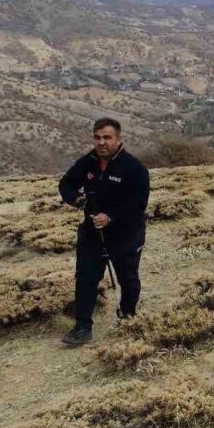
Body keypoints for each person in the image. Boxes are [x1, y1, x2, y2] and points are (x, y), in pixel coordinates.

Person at [57, 118, 150, 346]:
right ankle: (82, 327)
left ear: (118, 139)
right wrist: (77, 199)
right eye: (97, 137)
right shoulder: (87, 162)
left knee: (128, 277)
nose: (101, 143)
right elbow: (65, 184)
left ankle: (128, 317)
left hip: (127, 232)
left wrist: (111, 217)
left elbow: (138, 204)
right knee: (86, 276)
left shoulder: (134, 168)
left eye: (107, 138)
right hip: (92, 231)